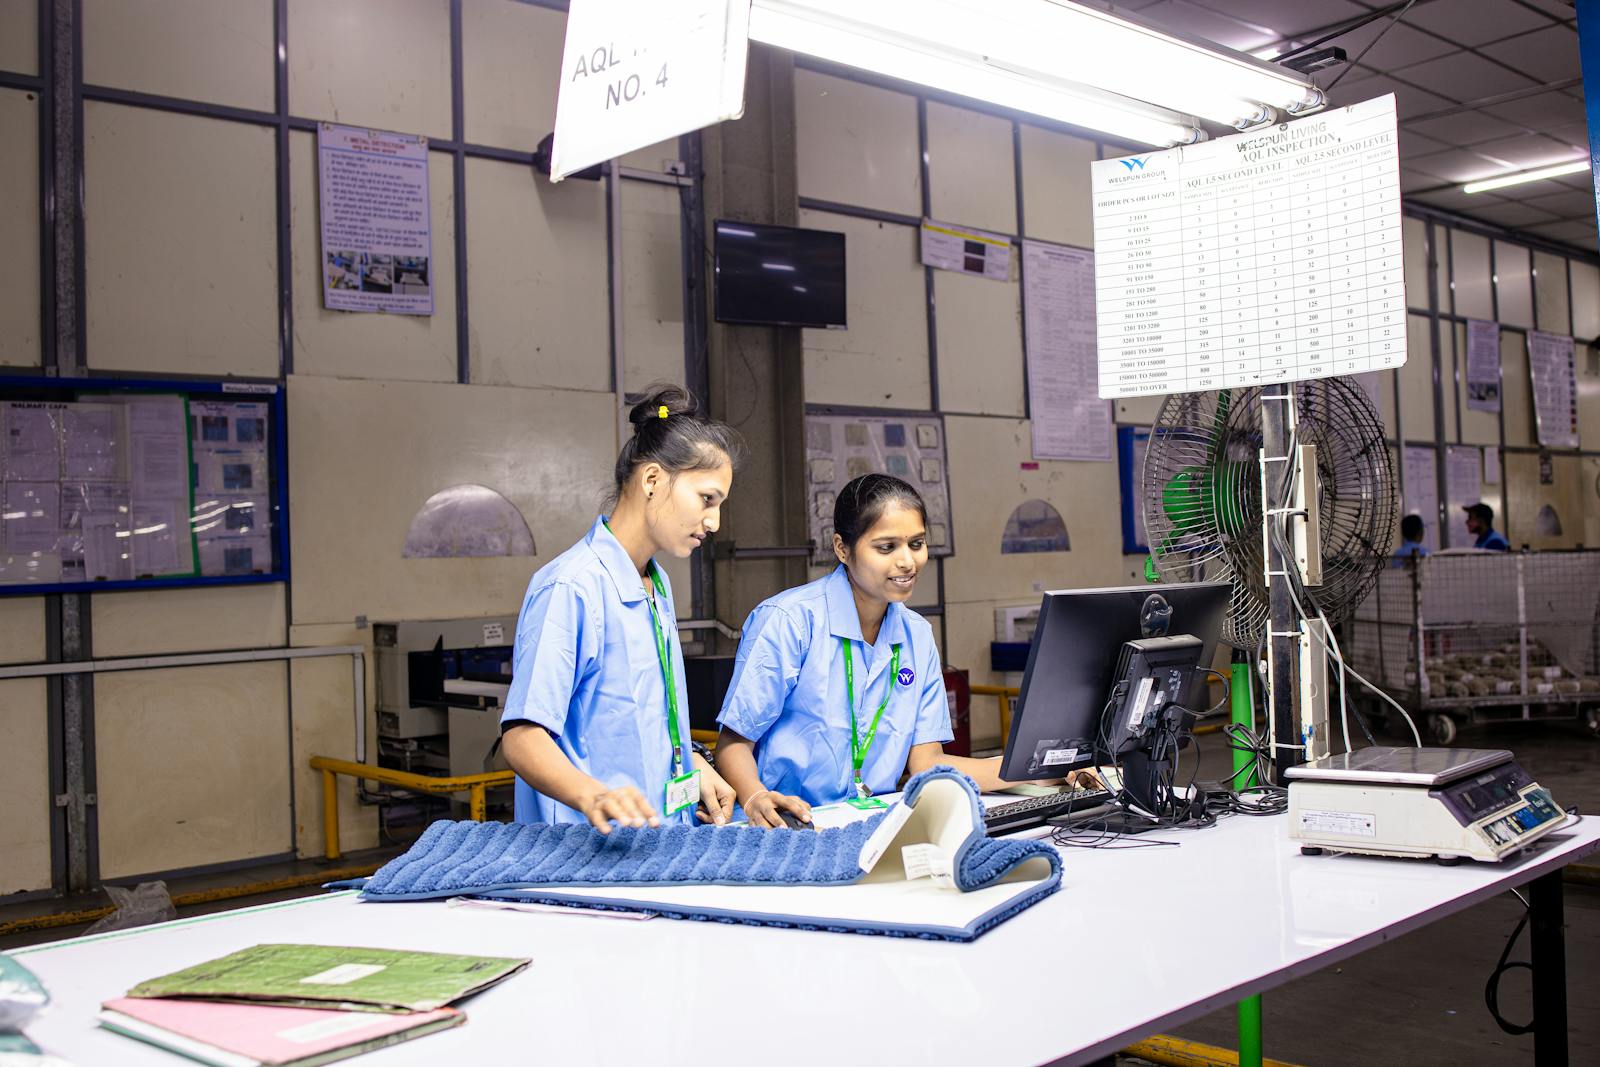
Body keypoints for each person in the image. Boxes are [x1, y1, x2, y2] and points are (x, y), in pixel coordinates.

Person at [714, 474, 1094, 828]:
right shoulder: (788, 621)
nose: (907, 561)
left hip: (871, 824)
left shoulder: (916, 635)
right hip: (787, 824)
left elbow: (927, 765)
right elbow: (733, 743)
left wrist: (1040, 768)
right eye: (886, 547)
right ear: (842, 548)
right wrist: (755, 797)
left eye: (916, 544)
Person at [499, 385, 741, 833]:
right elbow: (522, 738)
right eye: (707, 499)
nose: (714, 522)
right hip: (584, 852)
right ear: (652, 480)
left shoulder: (655, 583)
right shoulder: (571, 587)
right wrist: (594, 795)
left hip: (656, 843)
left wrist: (692, 764)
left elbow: (635, 718)